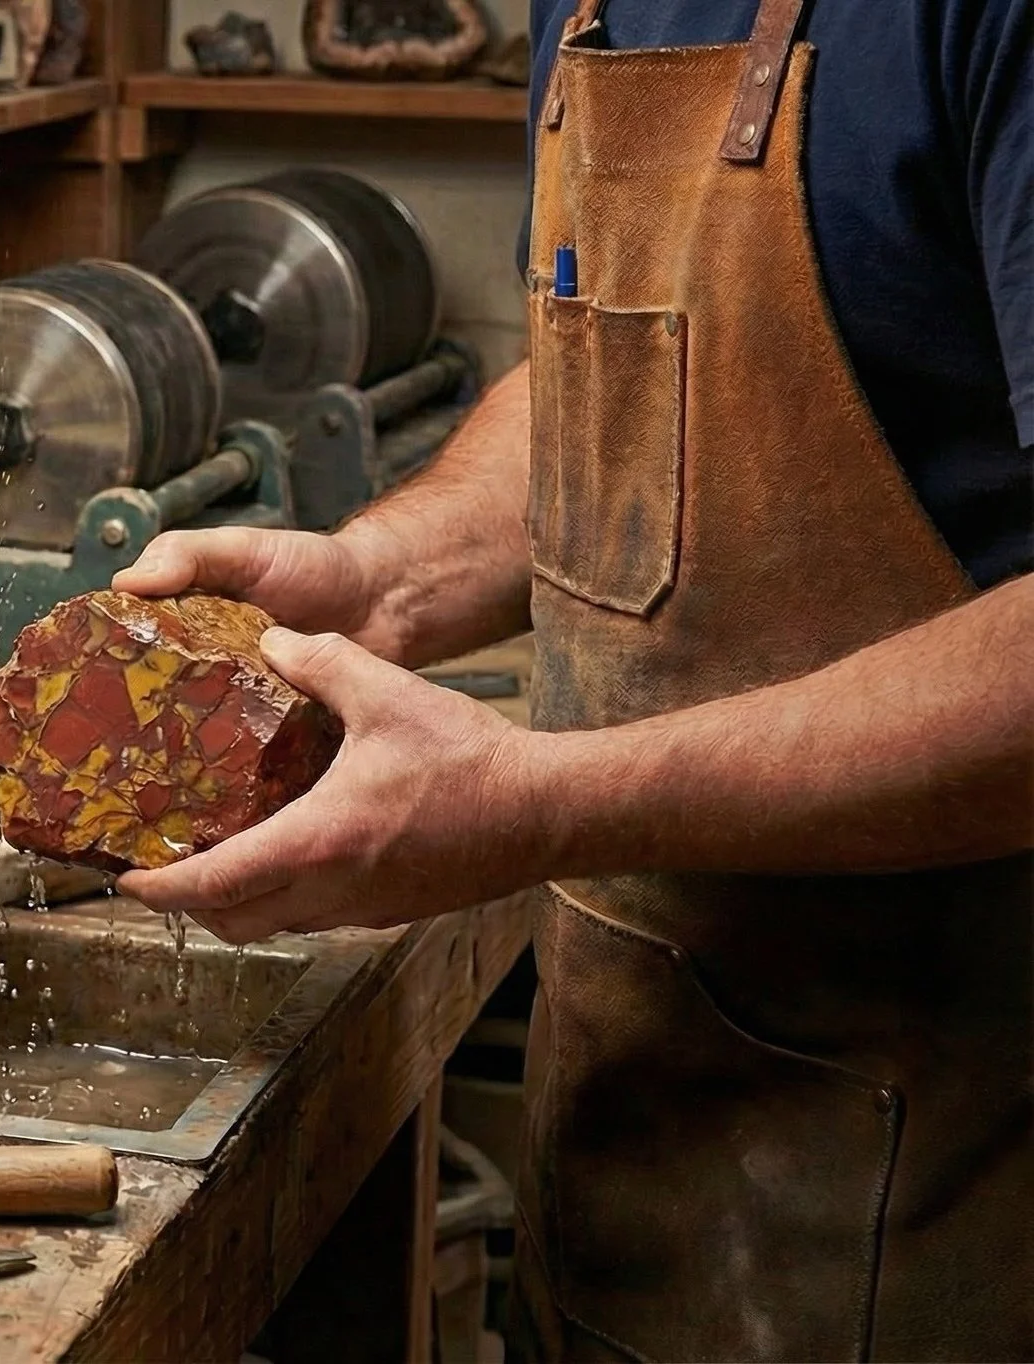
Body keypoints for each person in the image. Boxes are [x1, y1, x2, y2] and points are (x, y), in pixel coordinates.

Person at [110, 0, 1032, 1356]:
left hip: (954, 1183)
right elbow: (618, 363)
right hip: (642, 1146)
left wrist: (539, 802)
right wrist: (384, 578)